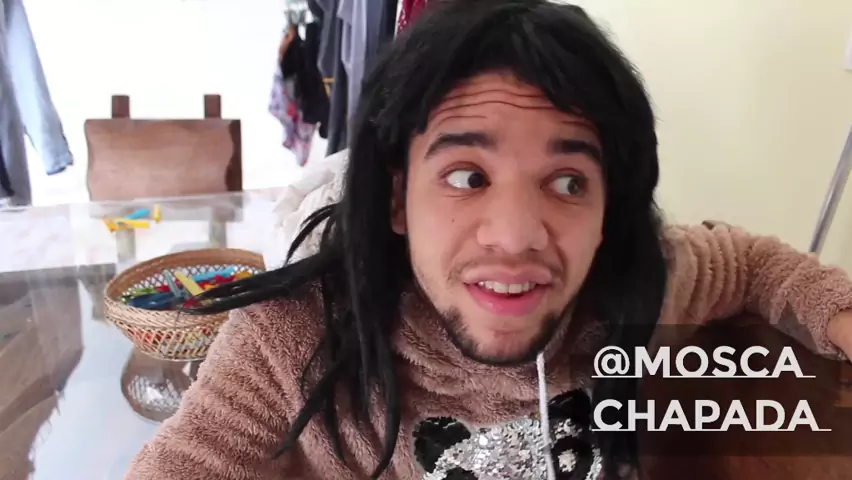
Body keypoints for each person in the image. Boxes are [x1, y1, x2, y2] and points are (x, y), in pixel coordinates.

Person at [125, 1, 852, 479]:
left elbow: (755, 264)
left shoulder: (636, 284)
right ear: (397, 198)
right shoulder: (292, 337)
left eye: (567, 182)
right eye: (467, 176)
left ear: (607, 211)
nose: (514, 236)